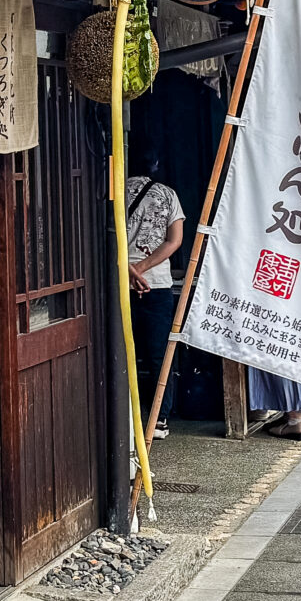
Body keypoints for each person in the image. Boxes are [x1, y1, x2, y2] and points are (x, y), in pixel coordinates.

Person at [125, 154, 186, 439]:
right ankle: (159, 418)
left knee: (122, 351)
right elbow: (174, 240)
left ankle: (123, 415)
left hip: (120, 281)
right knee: (159, 353)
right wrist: (143, 268)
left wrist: (128, 269)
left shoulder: (113, 189)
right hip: (157, 283)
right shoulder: (167, 194)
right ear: (156, 164)